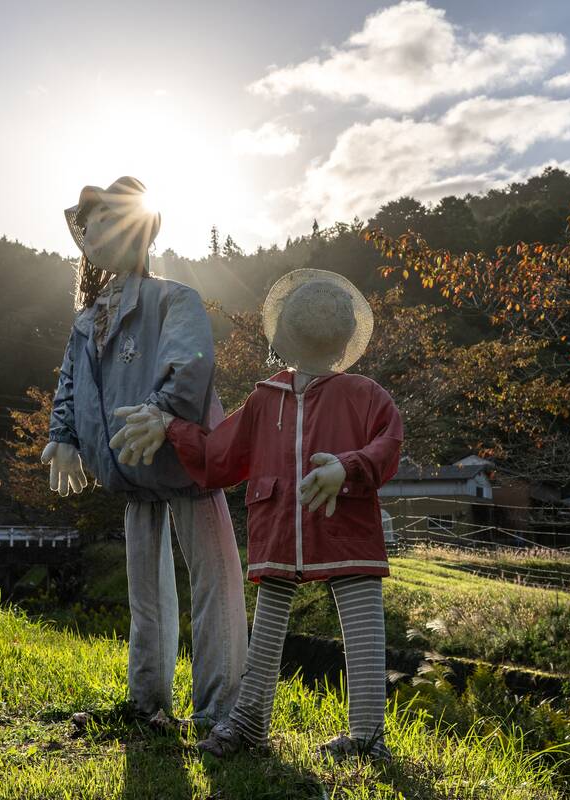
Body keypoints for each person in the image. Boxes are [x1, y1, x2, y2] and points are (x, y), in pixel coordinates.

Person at [111, 269, 402, 761]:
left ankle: (367, 737)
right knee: (268, 632)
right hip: (279, 527)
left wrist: (347, 469)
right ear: (349, 337)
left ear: (280, 333)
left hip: (346, 526)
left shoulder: (366, 395)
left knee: (363, 631)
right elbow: (219, 455)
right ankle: (249, 725)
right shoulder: (266, 399)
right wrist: (170, 425)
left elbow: (387, 445)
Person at [41, 176, 248, 731]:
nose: (95, 232)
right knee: (146, 591)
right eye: (92, 224)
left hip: (184, 460)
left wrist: (162, 411)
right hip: (129, 469)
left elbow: (192, 362)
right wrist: (63, 436)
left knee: (215, 582)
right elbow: (68, 384)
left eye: (109, 219)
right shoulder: (87, 321)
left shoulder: (172, 298)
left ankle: (219, 708)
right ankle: (147, 699)